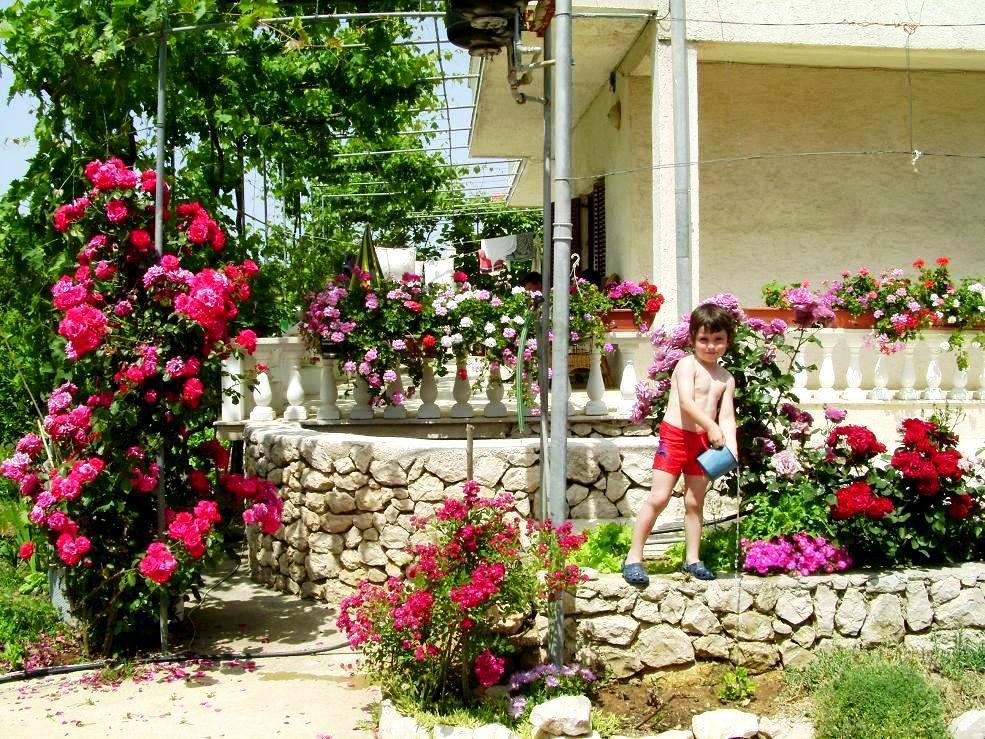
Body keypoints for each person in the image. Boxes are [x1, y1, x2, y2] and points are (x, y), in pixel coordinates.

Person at [622, 303, 738, 585]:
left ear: (728, 341)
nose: (711, 346)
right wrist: (711, 426)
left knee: (695, 501)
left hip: (702, 444)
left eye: (718, 339)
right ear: (692, 339)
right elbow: (686, 403)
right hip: (675, 438)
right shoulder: (687, 365)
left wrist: (732, 448)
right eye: (704, 339)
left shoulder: (726, 378)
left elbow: (726, 416)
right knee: (659, 497)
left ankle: (693, 559)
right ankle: (633, 558)